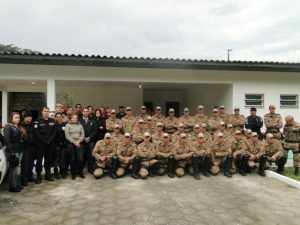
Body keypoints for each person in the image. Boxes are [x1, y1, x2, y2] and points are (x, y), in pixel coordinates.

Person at [34, 106, 57, 183]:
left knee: (48, 160)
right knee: (39, 161)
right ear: (42, 112)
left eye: (47, 111)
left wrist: (49, 140)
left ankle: (48, 175)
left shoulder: (52, 121)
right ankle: (38, 176)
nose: (46, 112)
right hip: (40, 145)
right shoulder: (37, 121)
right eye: (45, 111)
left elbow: (54, 132)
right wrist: (44, 141)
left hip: (50, 144)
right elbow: (36, 133)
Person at [4, 112, 24, 192]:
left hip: (19, 150)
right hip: (14, 151)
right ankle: (12, 187)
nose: (18, 119)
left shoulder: (16, 127)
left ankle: (15, 184)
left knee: (16, 169)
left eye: (18, 117)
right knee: (13, 169)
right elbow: (7, 141)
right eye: (15, 117)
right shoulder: (8, 127)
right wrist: (11, 152)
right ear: (11, 118)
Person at [65, 114, 85, 179]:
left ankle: (80, 172)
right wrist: (74, 142)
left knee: (80, 159)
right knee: (72, 159)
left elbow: (83, 135)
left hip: (79, 143)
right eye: (73, 118)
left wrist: (78, 142)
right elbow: (67, 135)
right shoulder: (68, 125)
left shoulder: (80, 125)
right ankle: (73, 173)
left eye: (75, 118)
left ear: (77, 119)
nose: (74, 119)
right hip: (71, 143)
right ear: (71, 118)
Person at [20, 111, 36, 186]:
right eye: (28, 116)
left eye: (31, 116)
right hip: (25, 147)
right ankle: (24, 179)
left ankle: (30, 177)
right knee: (24, 164)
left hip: (33, 147)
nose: (29, 117)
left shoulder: (33, 125)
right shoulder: (21, 125)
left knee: (31, 164)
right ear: (24, 117)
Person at [79, 107, 97, 174]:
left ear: (88, 112)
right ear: (82, 112)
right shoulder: (79, 120)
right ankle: (80, 170)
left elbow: (95, 131)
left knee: (90, 156)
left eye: (87, 111)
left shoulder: (92, 121)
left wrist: (89, 137)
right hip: (81, 141)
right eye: (84, 111)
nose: (86, 112)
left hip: (90, 141)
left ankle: (90, 169)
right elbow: (77, 131)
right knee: (81, 156)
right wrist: (83, 138)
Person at [54, 112, 67, 179]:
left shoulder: (65, 125)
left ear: (62, 117)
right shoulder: (53, 125)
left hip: (63, 145)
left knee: (62, 159)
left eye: (60, 117)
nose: (58, 118)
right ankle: (56, 173)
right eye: (57, 117)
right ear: (55, 118)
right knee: (56, 160)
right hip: (56, 145)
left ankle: (62, 172)